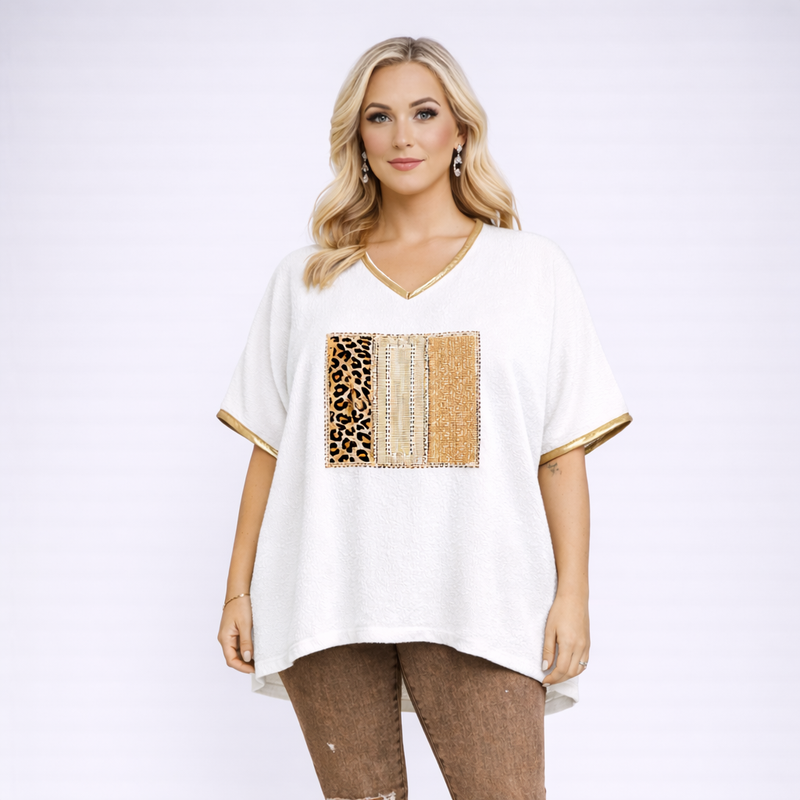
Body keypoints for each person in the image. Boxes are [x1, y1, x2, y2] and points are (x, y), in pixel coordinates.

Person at [215, 36, 631, 800]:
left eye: (424, 113)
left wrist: (572, 595)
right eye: (380, 116)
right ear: (358, 137)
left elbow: (558, 453)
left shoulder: (529, 270)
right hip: (327, 593)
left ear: (460, 130)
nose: (402, 135)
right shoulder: (309, 279)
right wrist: (238, 589)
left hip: (483, 595)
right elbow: (271, 447)